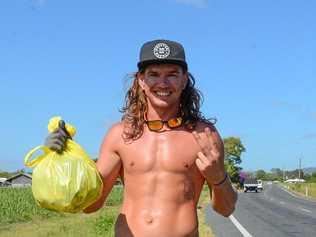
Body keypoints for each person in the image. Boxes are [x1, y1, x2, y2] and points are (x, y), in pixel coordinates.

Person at [45, 39, 237, 237]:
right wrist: (65, 158)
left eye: (172, 74)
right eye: (154, 74)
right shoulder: (119, 135)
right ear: (141, 80)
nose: (163, 83)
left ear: (184, 79)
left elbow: (226, 209)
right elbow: (91, 205)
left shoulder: (204, 136)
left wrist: (218, 177)